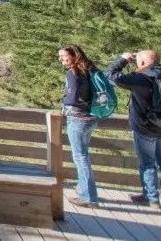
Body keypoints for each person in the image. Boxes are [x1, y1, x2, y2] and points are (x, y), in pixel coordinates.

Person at [108, 50, 161, 209]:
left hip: (145, 127)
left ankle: (151, 198)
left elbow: (110, 75)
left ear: (143, 63)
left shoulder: (140, 78)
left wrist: (123, 60)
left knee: (147, 163)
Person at [58, 45, 99, 207]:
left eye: (63, 56)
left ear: (74, 56)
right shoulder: (88, 70)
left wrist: (63, 100)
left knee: (80, 157)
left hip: (77, 118)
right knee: (83, 156)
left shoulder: (73, 73)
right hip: (91, 117)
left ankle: (89, 197)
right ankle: (84, 190)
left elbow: (73, 98)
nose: (61, 59)